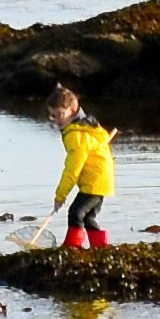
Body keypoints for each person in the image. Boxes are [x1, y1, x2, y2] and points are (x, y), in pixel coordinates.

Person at [45, 85, 116, 249]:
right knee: (88, 218)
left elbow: (72, 168)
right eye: (53, 116)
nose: (56, 120)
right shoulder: (84, 127)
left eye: (59, 115)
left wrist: (60, 195)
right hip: (101, 180)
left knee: (75, 213)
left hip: (95, 182)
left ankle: (72, 246)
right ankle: (101, 247)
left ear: (72, 110)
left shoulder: (77, 135)